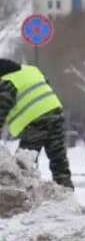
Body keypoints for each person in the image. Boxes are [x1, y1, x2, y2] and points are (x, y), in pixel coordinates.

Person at [0, 59, 73, 188]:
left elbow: (1, 111)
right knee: (58, 160)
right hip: (55, 113)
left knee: (23, 164)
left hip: (36, 122)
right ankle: (67, 196)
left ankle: (20, 197)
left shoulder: (6, 83)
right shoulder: (31, 70)